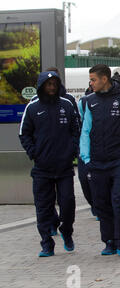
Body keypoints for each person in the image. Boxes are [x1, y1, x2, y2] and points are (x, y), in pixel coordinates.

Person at [79, 64, 120, 257]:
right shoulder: (89, 101)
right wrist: (86, 158)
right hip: (97, 163)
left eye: (93, 79)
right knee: (102, 202)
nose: (90, 83)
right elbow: (85, 131)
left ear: (104, 79)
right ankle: (109, 241)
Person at [19, 71, 79, 257]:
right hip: (42, 169)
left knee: (68, 203)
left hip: (64, 168)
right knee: (43, 207)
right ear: (42, 85)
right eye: (48, 84)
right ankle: (46, 243)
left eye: (54, 84)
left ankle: (66, 231)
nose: (51, 88)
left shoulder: (67, 105)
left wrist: (72, 151)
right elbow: (24, 133)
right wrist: (34, 152)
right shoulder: (33, 107)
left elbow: (76, 130)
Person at [77, 83, 100, 220]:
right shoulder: (84, 102)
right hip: (84, 148)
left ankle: (100, 207)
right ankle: (94, 204)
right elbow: (78, 124)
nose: (93, 83)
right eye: (91, 80)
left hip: (101, 149)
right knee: (84, 179)